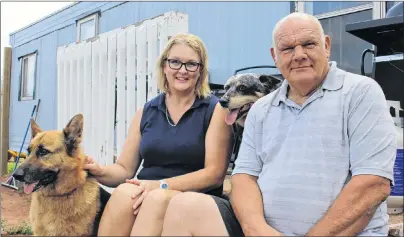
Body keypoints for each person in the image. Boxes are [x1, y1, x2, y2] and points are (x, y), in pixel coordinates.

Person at [160, 12, 397, 236]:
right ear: (274, 56)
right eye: (288, 48)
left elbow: (372, 185)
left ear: (326, 45)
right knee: (183, 206)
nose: (299, 54)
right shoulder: (261, 109)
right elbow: (243, 178)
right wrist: (256, 229)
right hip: (265, 232)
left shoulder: (360, 93)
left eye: (309, 44)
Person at [84, 33, 233, 236]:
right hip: (148, 187)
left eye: (191, 64)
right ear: (164, 66)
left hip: (191, 195)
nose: (182, 70)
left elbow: (214, 174)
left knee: (156, 199)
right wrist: (99, 171)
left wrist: (160, 185)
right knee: (123, 193)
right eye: (175, 62)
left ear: (200, 71)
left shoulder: (215, 110)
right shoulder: (146, 111)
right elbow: (124, 169)